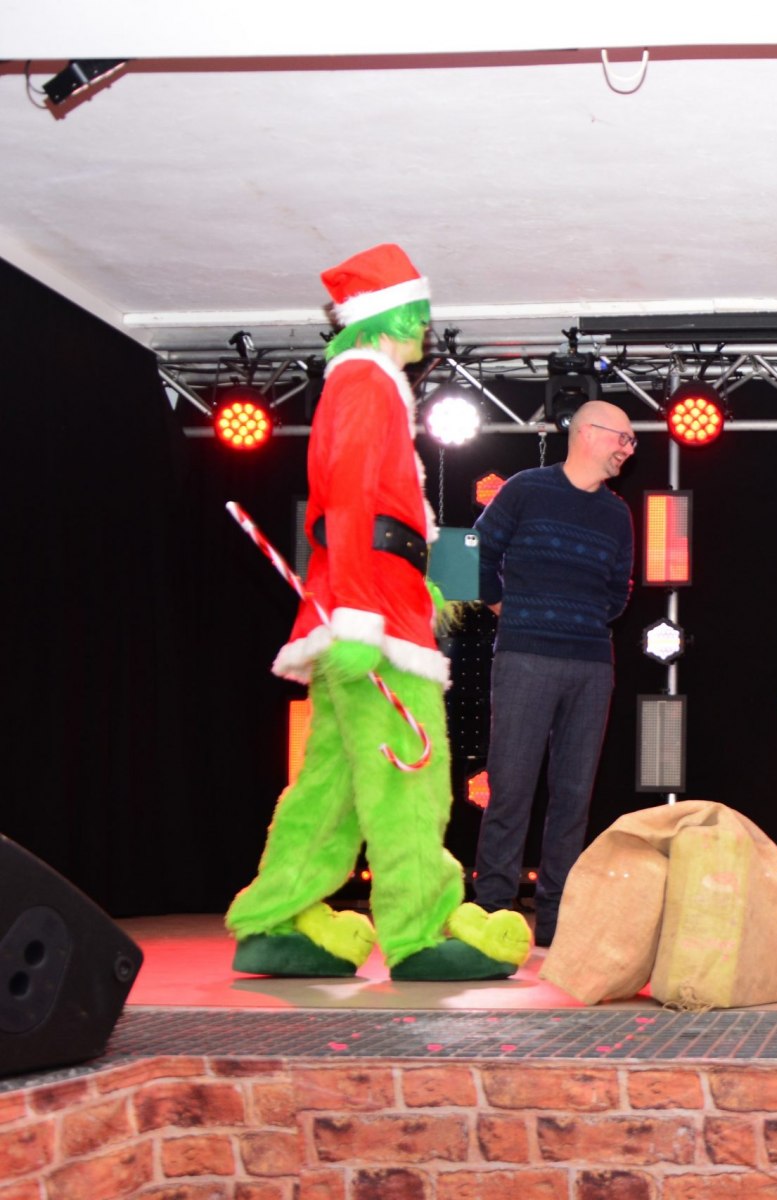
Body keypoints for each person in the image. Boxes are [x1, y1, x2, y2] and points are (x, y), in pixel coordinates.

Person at [226, 243, 531, 981]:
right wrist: (365, 616)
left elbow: (357, 509)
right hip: (374, 617)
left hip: (365, 604)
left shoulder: (361, 384)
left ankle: (272, 919)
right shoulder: (367, 382)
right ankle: (420, 932)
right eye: (417, 313)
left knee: (330, 787)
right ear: (390, 316)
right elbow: (352, 497)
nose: (425, 326)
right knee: (409, 773)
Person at [471, 399, 636, 948]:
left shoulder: (617, 514)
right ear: (586, 433)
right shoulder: (526, 489)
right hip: (526, 658)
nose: (627, 449)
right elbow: (476, 553)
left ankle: (556, 919)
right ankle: (492, 911)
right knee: (510, 787)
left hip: (591, 665)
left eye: (631, 441)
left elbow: (618, 592)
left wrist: (581, 620)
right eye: (622, 438)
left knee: (573, 795)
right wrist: (507, 609)